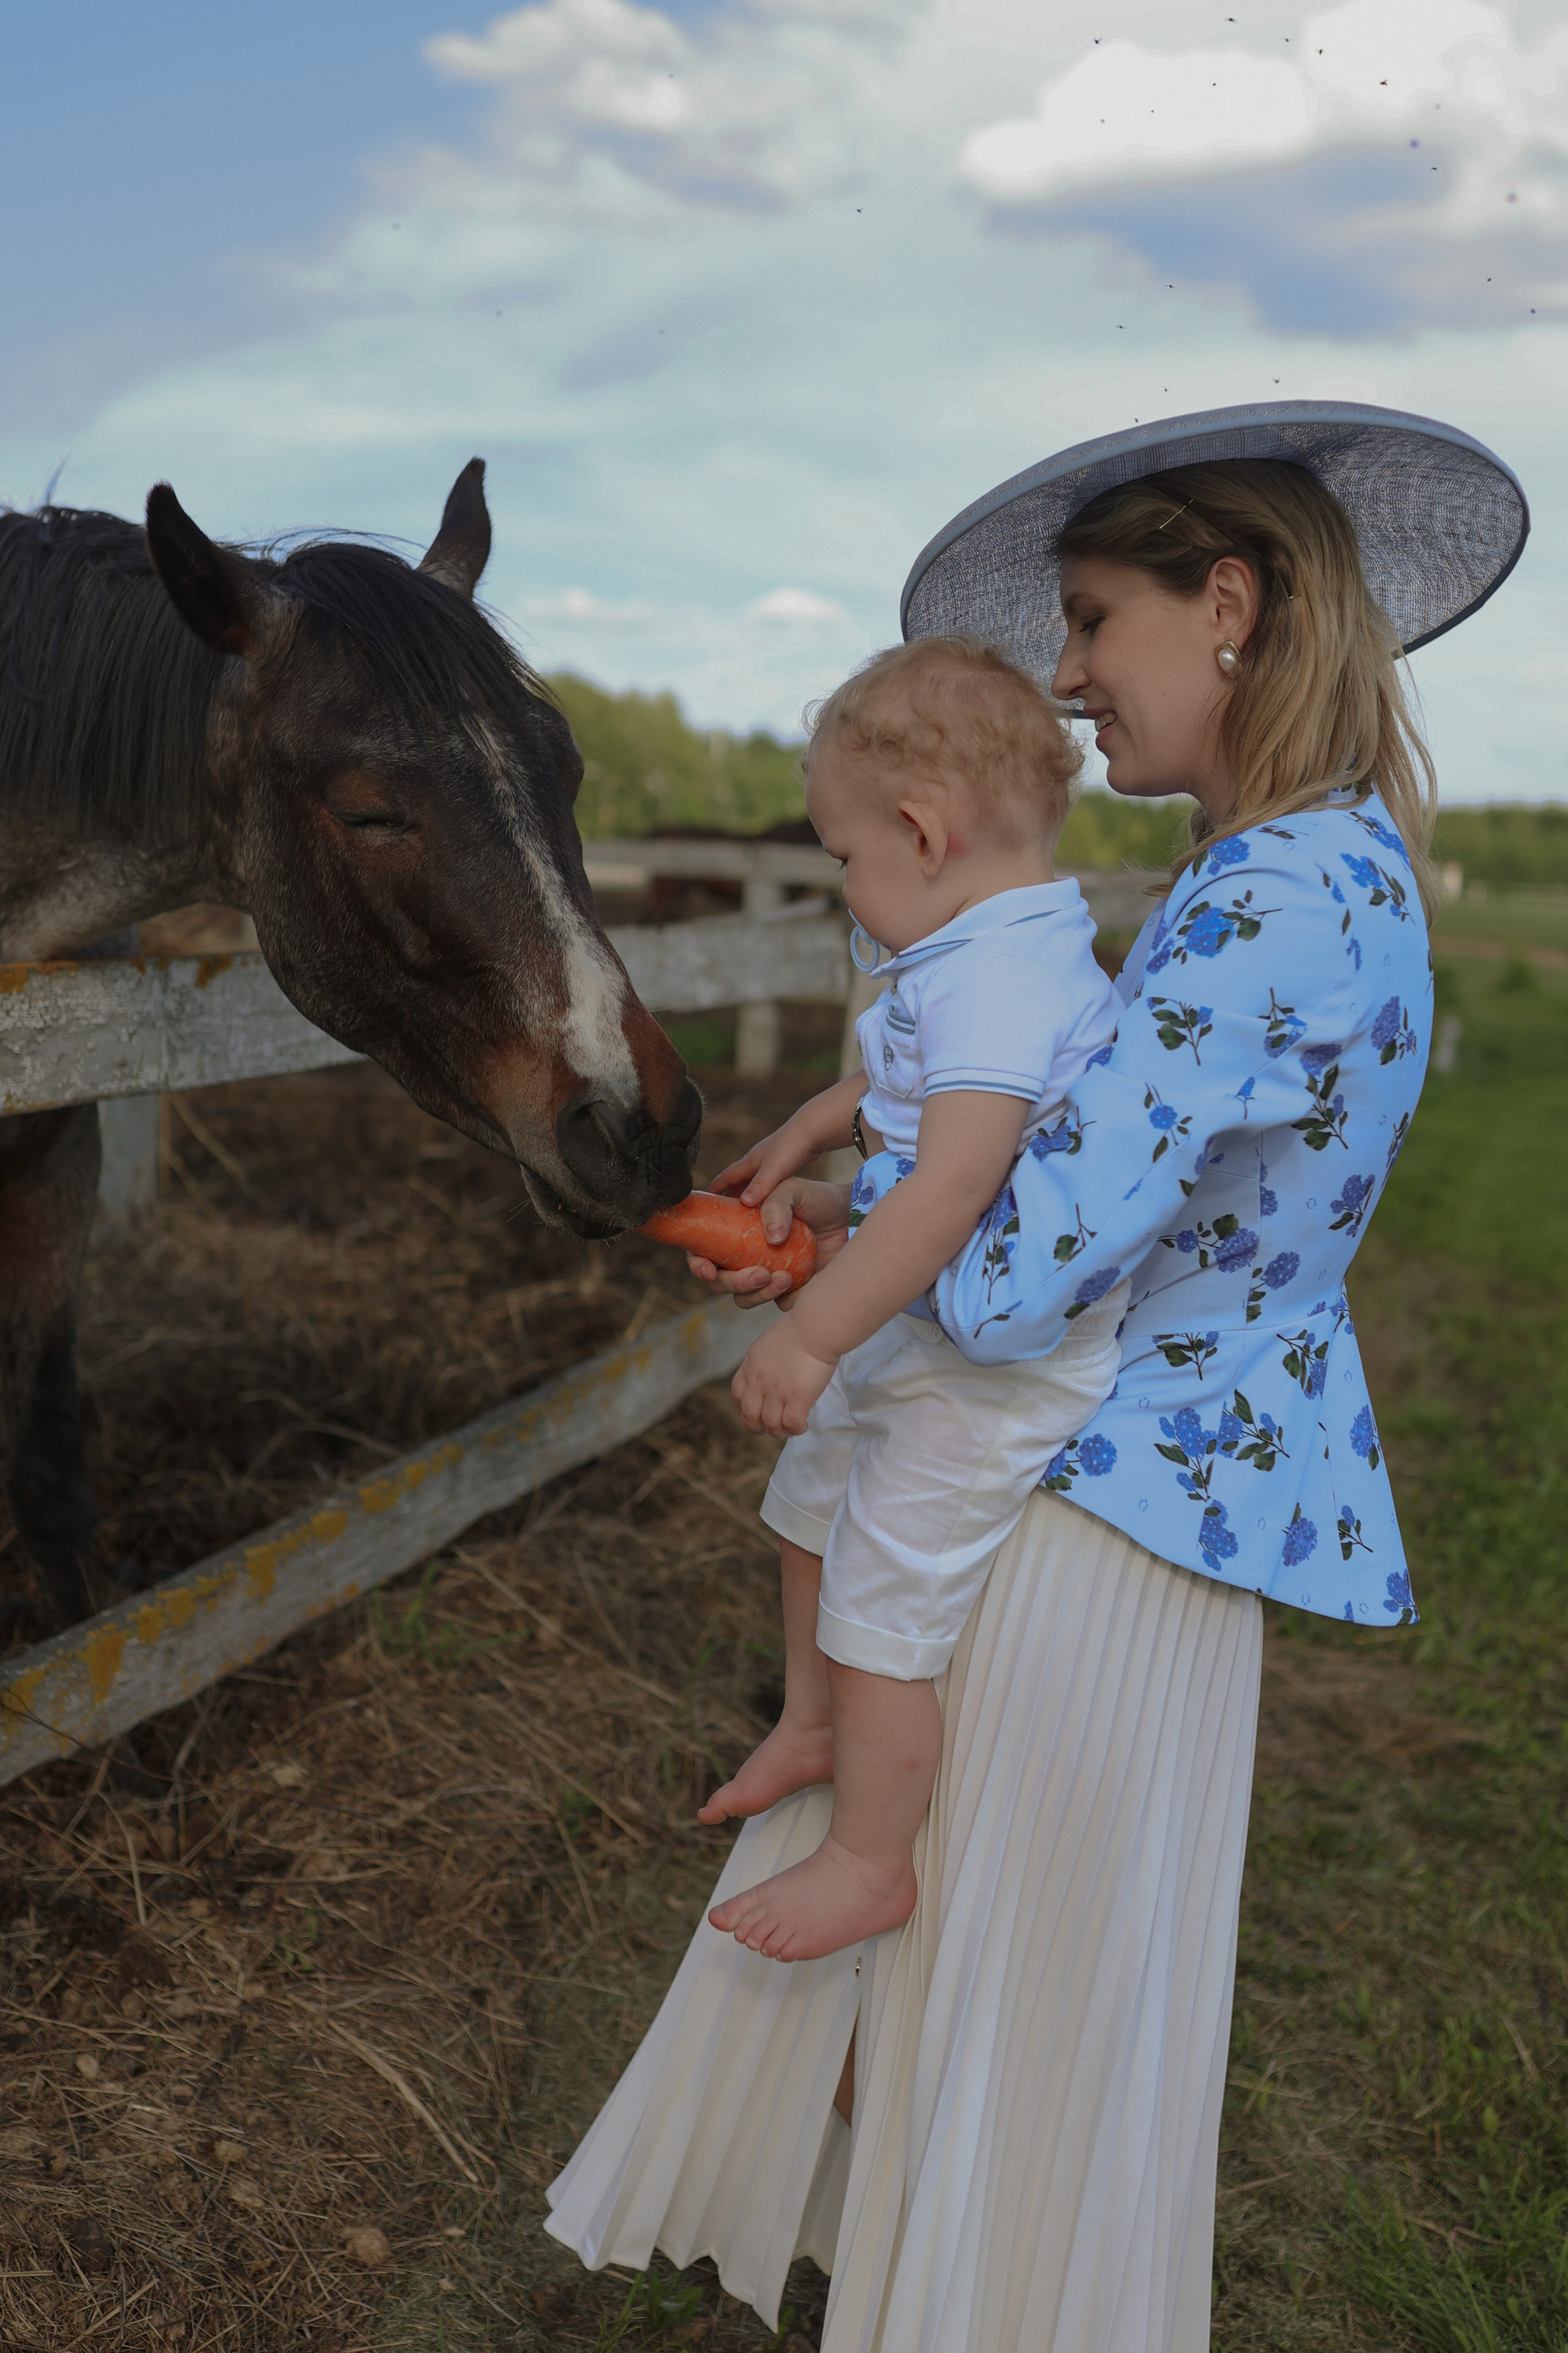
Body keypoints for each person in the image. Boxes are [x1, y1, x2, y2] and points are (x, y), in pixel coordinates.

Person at [546, 402, 1528, 2352]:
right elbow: (1063, 1169)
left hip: (1101, 1508)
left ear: (1227, 603)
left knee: (997, 1998)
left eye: (1092, 620)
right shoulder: (1318, 868)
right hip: (1159, 1483)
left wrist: (838, 1283)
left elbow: (1011, 1293)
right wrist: (866, 1199)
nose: (1067, 678)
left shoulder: (1263, 900)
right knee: (1030, 2004)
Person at [703, 637, 1127, 1965]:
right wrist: (824, 1167)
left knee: (884, 1596)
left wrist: (814, 1333)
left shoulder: (997, 978)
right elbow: (914, 1120)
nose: (843, 881)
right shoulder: (981, 952)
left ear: (922, 832)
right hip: (938, 1312)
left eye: (842, 855)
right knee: (807, 1505)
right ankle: (812, 1724)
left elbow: (951, 1186)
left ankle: (869, 1858)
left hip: (993, 1366)